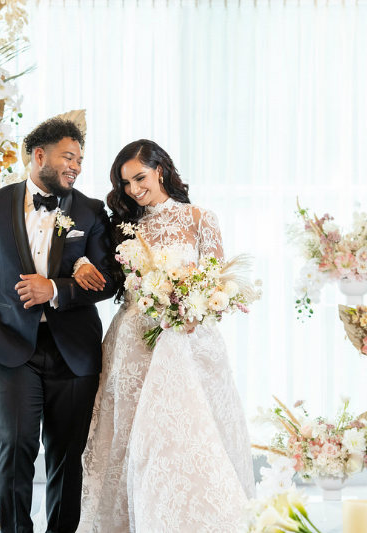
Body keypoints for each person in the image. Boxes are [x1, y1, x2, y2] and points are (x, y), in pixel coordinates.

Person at [73, 139, 255, 532]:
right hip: (134, 342)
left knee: (185, 436)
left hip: (188, 343)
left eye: (139, 178)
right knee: (133, 439)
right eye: (125, 184)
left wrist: (190, 308)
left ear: (161, 169)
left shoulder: (199, 219)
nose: (134, 190)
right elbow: (104, 271)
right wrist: (82, 262)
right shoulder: (126, 225)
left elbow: (216, 285)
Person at [0, 118, 118, 533]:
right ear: (39, 155)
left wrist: (57, 289)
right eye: (69, 157)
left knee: (67, 454)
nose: (76, 167)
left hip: (74, 352)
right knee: (15, 447)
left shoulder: (90, 211)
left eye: (80, 160)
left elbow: (108, 280)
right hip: (9, 348)